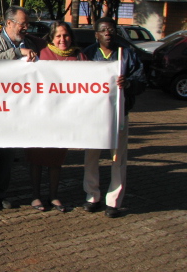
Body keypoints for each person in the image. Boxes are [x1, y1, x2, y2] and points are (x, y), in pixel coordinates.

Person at [0, 6, 45, 211]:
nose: (26, 27)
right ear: (9, 23)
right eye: (22, 24)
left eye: (27, 24)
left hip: (15, 108)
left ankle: (0, 194)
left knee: (7, 153)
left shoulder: (31, 43)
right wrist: (16, 53)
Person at [82, 17, 146, 218]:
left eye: (110, 29)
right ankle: (92, 196)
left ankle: (114, 201)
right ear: (97, 34)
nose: (107, 33)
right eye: (103, 30)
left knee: (118, 158)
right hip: (94, 115)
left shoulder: (127, 54)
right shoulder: (88, 54)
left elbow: (141, 82)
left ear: (116, 32)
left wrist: (129, 84)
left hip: (119, 114)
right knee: (91, 156)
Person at [26, 21, 87, 212]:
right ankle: (36, 196)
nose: (62, 39)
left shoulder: (79, 56)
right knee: (36, 157)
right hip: (39, 116)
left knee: (56, 159)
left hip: (63, 118)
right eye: (58, 36)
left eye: (66, 35)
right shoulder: (41, 52)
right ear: (51, 38)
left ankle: (53, 196)